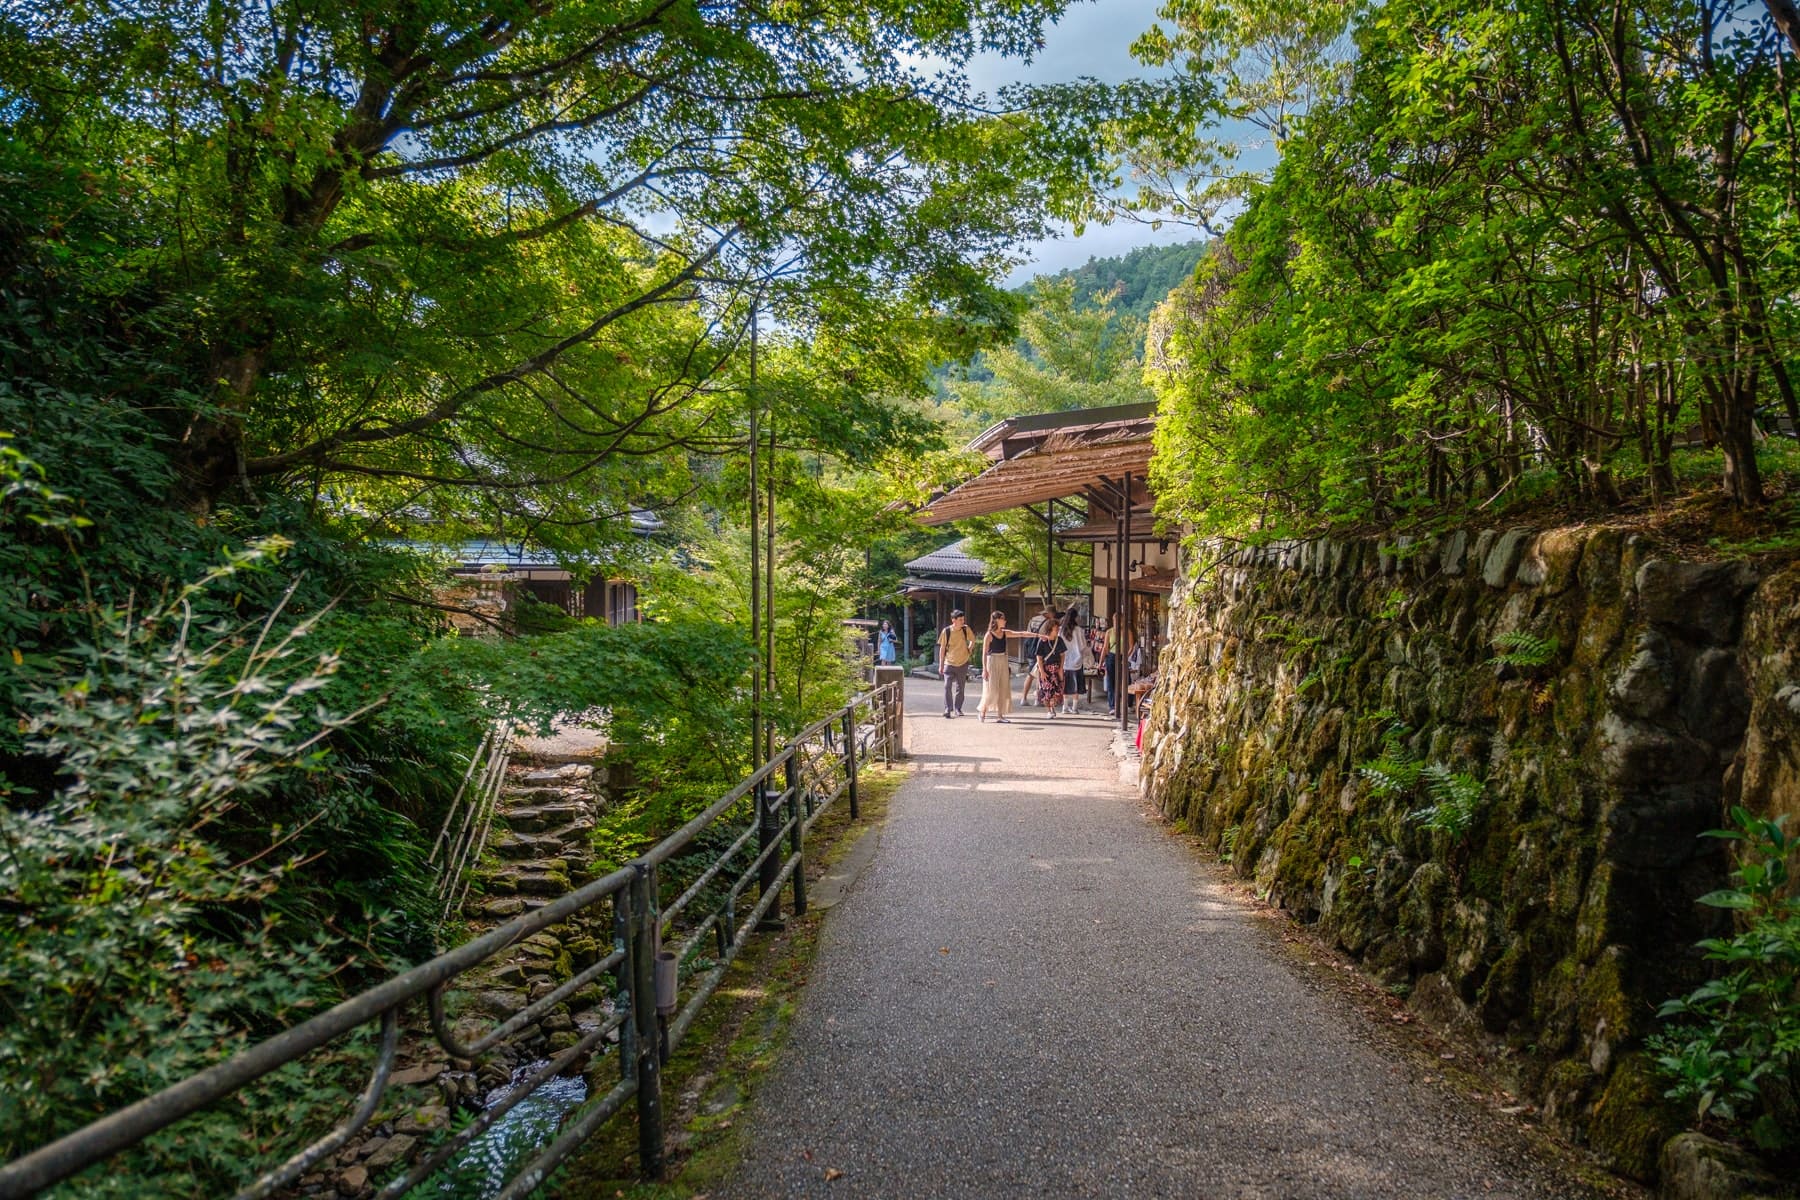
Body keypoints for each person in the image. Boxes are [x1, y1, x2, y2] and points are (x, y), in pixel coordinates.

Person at [936, 608, 977, 718]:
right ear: (953, 620)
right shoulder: (947, 631)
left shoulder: (965, 629)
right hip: (949, 662)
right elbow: (942, 648)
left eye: (963, 619)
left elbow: (973, 640)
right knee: (947, 686)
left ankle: (958, 708)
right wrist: (941, 664)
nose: (962, 622)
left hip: (963, 662)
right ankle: (948, 708)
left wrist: (969, 650)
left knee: (961, 687)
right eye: (960, 620)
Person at [977, 611, 1014, 723]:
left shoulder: (1004, 633)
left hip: (1003, 660)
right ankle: (982, 712)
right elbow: (984, 653)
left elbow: (1020, 633)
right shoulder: (989, 635)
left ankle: (1000, 715)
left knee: (1003, 688)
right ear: (997, 620)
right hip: (991, 661)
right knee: (991, 689)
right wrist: (984, 669)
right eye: (1003, 619)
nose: (1005, 621)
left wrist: (1037, 635)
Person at [1019, 604, 1054, 707]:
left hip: (1031, 649)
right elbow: (1046, 637)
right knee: (1040, 674)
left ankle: (1024, 698)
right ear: (1049, 613)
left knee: (1031, 674)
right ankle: (1038, 699)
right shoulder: (1048, 623)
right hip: (1040, 650)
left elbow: (1028, 633)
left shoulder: (1033, 619)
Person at [1035, 613, 1067, 716]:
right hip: (1046, 668)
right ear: (1050, 629)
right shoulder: (1043, 641)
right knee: (1047, 690)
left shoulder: (1060, 640)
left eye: (1058, 628)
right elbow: (1039, 657)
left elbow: (1062, 655)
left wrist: (1061, 668)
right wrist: (1042, 671)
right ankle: (1049, 710)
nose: (1057, 630)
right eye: (1055, 628)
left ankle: (1052, 708)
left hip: (1056, 667)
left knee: (1057, 689)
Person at [1059, 610, 1084, 715]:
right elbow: (1083, 646)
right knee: (1076, 685)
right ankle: (1074, 708)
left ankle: (1065, 707)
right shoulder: (1079, 630)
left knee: (1065, 684)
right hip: (1077, 662)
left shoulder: (1061, 630)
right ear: (1075, 617)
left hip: (1064, 661)